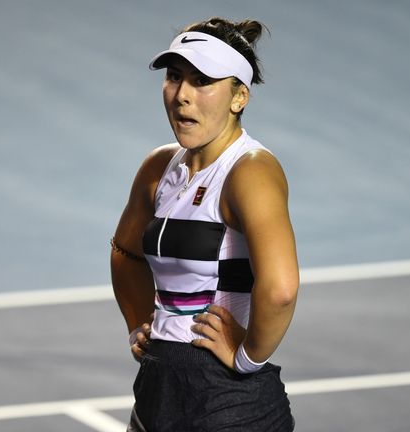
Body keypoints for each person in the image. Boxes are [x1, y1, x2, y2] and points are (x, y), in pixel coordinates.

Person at [110, 17, 298, 432]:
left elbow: (281, 290)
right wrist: (140, 323)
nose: (181, 96)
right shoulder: (159, 168)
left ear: (239, 97)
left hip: (229, 402)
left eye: (202, 82)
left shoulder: (251, 171)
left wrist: (248, 356)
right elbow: (125, 254)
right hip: (157, 390)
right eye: (174, 77)